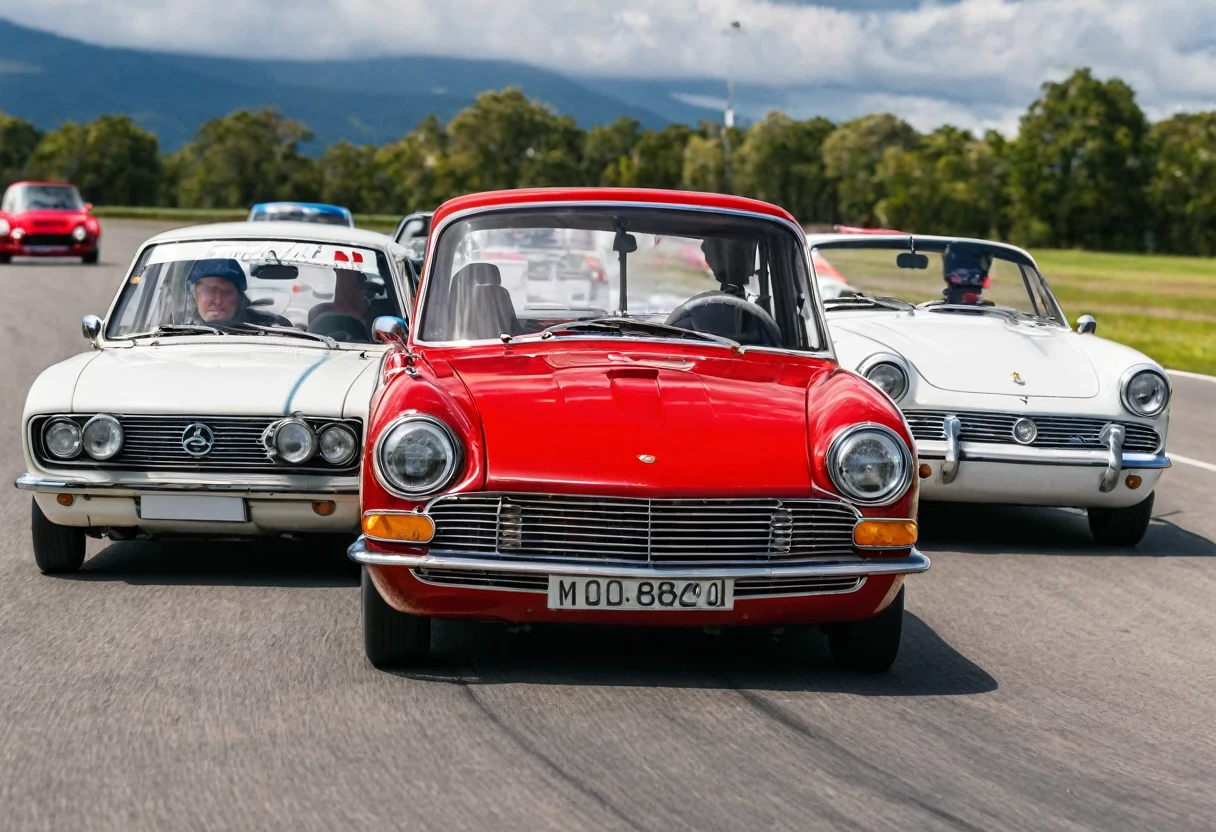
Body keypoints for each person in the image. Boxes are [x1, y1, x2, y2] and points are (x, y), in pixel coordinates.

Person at [186, 258, 281, 326]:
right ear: (194, 294)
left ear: (240, 299)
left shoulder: (272, 329)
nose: (218, 301)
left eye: (226, 292)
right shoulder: (178, 330)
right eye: (209, 291)